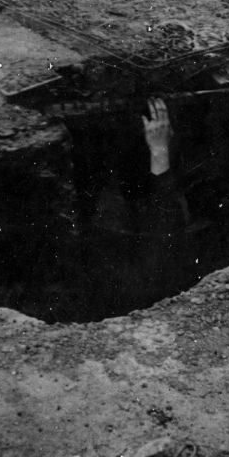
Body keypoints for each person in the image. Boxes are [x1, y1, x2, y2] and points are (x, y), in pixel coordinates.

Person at [85, 98, 199, 318]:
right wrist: (160, 152)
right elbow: (164, 238)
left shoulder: (113, 191)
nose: (170, 135)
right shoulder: (115, 213)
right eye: (166, 132)